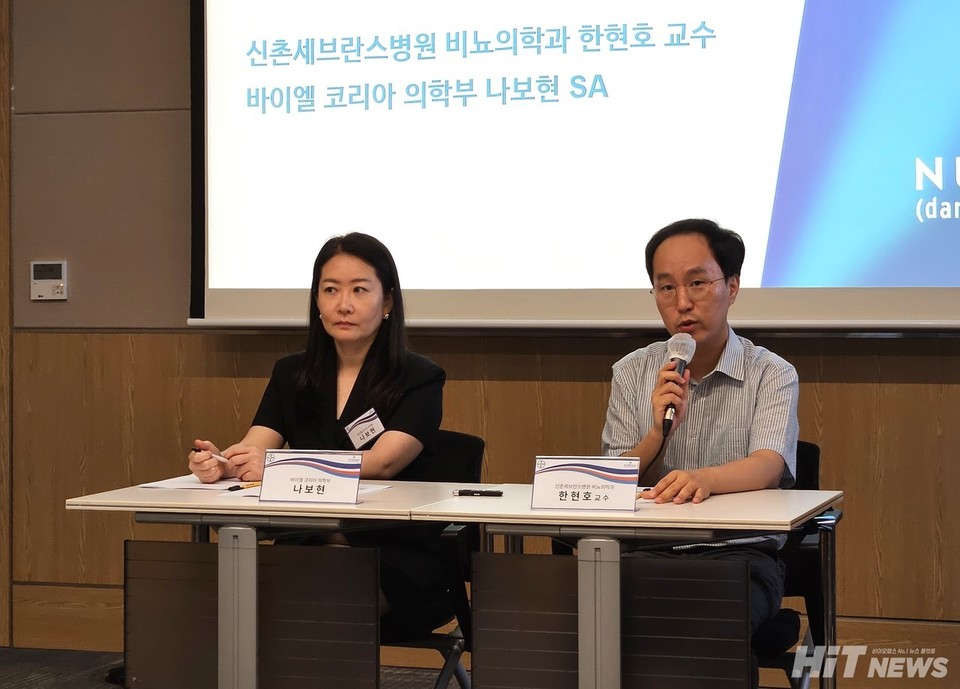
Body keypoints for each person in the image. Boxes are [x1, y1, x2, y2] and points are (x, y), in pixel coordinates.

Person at [189, 231, 447, 615]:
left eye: (360, 290)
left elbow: (382, 463)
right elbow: (257, 444)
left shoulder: (419, 377)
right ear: (317, 300)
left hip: (389, 552)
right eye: (330, 290)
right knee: (217, 597)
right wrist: (224, 464)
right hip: (304, 541)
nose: (343, 305)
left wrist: (278, 468)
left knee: (304, 606)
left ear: (388, 300)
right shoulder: (292, 373)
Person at [601, 218, 799, 686]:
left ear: (732, 286)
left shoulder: (771, 373)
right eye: (665, 287)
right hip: (644, 551)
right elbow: (611, 477)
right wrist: (656, 432)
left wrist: (705, 479)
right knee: (580, 616)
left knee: (701, 631)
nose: (682, 302)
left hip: (737, 556)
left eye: (697, 283)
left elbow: (770, 464)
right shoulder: (634, 372)